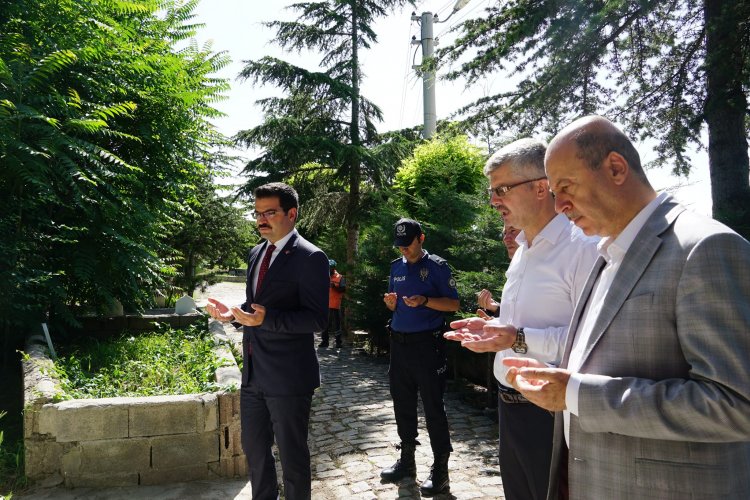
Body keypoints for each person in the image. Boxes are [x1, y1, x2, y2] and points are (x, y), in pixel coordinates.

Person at [504, 115, 750, 500]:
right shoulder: (607, 254)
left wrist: (576, 394)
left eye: (565, 187)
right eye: (553, 192)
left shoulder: (705, 247)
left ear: (616, 168)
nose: (560, 205)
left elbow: (736, 405)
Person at [444, 138, 599, 500]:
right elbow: (518, 326)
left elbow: (593, 342)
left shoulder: (582, 248)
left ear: (541, 188)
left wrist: (516, 337)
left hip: (553, 415)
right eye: (492, 191)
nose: (494, 201)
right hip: (509, 409)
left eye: (502, 189)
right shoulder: (522, 250)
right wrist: (493, 329)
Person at [205, 182, 329, 500]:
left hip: (289, 377)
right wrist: (232, 314)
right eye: (257, 213)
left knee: (292, 458)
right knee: (255, 451)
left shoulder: (311, 257)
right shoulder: (256, 253)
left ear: (292, 214)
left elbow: (317, 319)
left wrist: (267, 319)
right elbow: (255, 307)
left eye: (269, 213)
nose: (261, 220)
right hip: (253, 374)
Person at [380, 218, 460, 496]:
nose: (404, 249)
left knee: (433, 408)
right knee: (402, 404)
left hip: (427, 346)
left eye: (408, 244)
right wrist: (392, 305)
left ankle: (441, 471)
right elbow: (396, 307)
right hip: (399, 345)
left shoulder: (437, 267)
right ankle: (407, 461)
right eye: (400, 245)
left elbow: (453, 304)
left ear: (421, 239)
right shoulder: (396, 267)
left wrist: (425, 300)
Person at [477, 224, 520, 315]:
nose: (505, 238)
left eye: (513, 231)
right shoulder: (515, 267)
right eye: (505, 233)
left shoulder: (543, 266)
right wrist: (494, 308)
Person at [319, 259, 346, 348]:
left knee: (337, 324)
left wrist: (334, 287)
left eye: (330, 267)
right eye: (328, 267)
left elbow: (343, 289)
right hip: (325, 304)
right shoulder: (324, 276)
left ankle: (338, 342)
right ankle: (324, 342)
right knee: (325, 324)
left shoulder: (340, 277)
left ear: (334, 268)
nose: (329, 269)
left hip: (335, 305)